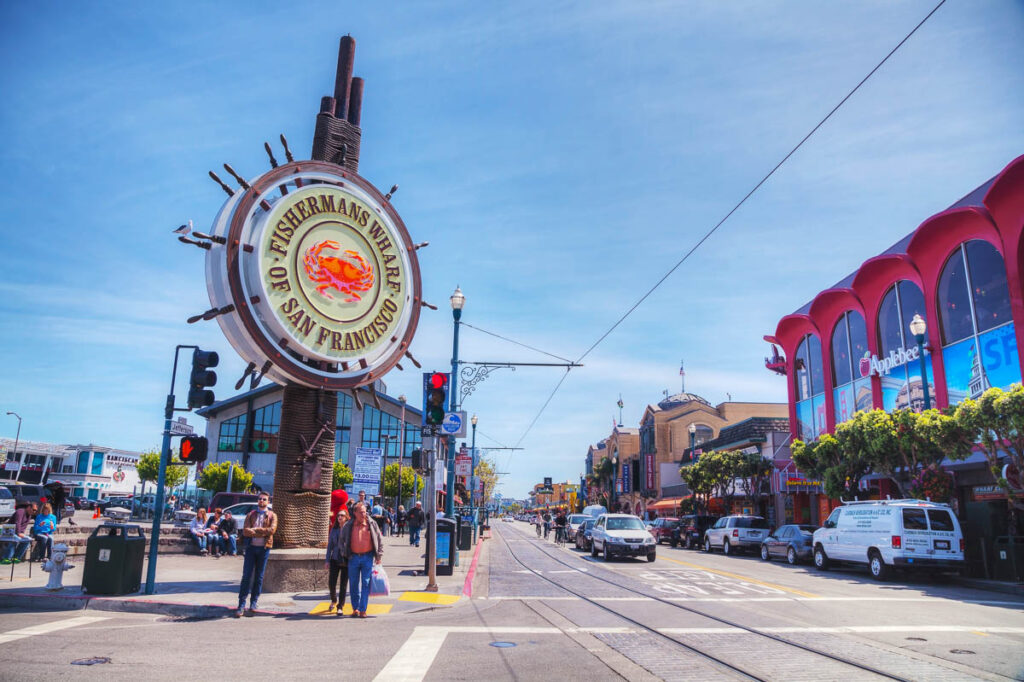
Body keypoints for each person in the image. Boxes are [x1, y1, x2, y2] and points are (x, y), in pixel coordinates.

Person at [236, 493, 277, 617]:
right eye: (260, 499)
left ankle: (254, 602)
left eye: (264, 499)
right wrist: (260, 532)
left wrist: (256, 530)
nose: (261, 501)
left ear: (268, 501)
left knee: (259, 577)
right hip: (251, 548)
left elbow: (272, 530)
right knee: (246, 576)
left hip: (264, 549)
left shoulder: (272, 515)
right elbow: (246, 531)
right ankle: (241, 605)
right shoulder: (251, 514)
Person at [340, 502, 383, 618]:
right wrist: (344, 552)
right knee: (353, 584)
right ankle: (356, 608)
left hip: (367, 557)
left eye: (364, 512)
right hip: (353, 557)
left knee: (366, 583)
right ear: (355, 513)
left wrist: (379, 556)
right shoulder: (348, 525)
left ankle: (363, 609)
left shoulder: (372, 524)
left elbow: (379, 540)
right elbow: (341, 540)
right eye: (361, 512)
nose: (363, 514)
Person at [324, 508, 350, 616]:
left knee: (343, 584)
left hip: (346, 559)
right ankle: (334, 600)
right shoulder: (334, 530)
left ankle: (340, 606)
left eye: (342, 515)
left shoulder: (349, 529)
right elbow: (329, 546)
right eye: (339, 515)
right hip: (334, 558)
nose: (340, 517)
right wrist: (327, 560)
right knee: (331, 583)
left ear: (346, 518)